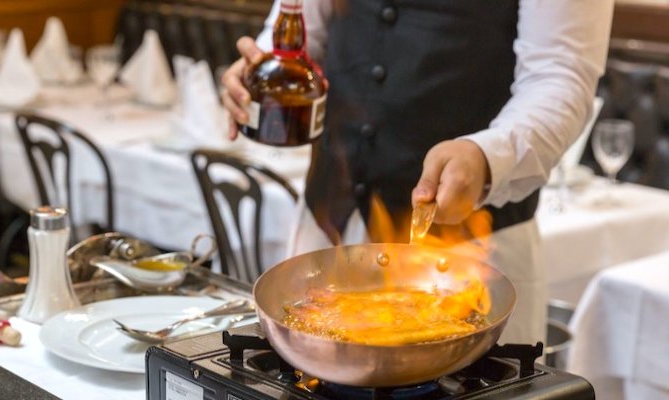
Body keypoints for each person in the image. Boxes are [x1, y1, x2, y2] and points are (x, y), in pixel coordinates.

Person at [221, 0, 614, 345]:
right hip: (329, 225)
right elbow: (301, 26)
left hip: (467, 259)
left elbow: (561, 74)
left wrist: (487, 153)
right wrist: (266, 66)